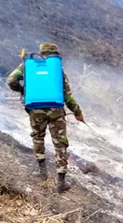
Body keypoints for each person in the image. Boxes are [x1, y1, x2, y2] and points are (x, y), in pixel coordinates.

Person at [7, 42, 84, 194]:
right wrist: (77, 112)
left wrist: (23, 90)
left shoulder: (27, 66)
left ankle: (43, 173)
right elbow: (68, 96)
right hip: (56, 110)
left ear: (42, 53)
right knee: (60, 142)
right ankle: (61, 182)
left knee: (38, 137)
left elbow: (11, 80)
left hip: (35, 109)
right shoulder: (57, 70)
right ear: (56, 55)